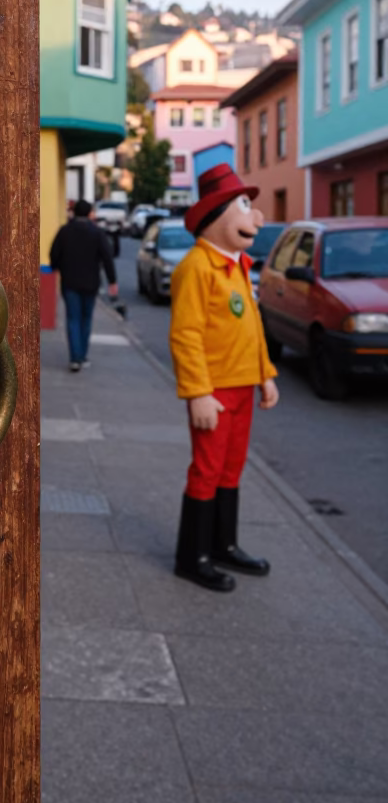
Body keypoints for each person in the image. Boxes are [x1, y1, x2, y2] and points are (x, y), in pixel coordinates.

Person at [169, 164, 280, 592]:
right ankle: (192, 557)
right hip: (214, 391)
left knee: (231, 470)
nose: (258, 218)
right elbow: (185, 334)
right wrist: (197, 392)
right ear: (216, 215)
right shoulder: (197, 268)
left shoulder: (237, 266)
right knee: (207, 470)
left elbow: (252, 326)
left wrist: (265, 374)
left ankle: (223, 545)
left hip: (243, 387)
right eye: (246, 206)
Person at [49, 199, 119, 371]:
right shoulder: (97, 233)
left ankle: (74, 358)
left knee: (73, 318)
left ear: (74, 212)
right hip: (91, 283)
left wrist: (56, 267)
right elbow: (107, 257)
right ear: (89, 213)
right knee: (86, 319)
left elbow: (54, 254)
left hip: (70, 282)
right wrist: (112, 281)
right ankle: (82, 356)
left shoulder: (65, 232)